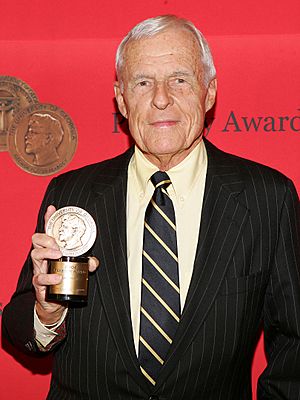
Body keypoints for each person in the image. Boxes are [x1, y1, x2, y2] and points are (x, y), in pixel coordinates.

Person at [2, 15, 300, 400]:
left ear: (209, 92)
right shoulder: (72, 192)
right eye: (143, 82)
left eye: (179, 79)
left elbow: (294, 342)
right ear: (122, 99)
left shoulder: (267, 197)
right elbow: (18, 323)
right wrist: (46, 314)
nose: (161, 98)